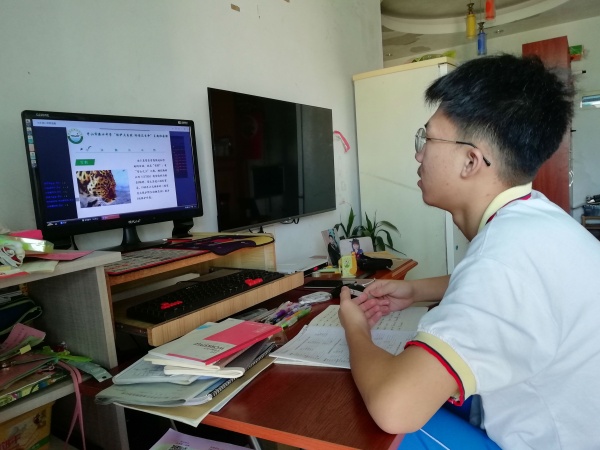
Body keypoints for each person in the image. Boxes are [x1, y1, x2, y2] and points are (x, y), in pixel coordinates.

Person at [338, 54, 600, 449]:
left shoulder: (504, 258)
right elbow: (522, 290)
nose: (419, 154)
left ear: (470, 161)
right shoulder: (535, 219)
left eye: (427, 139)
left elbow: (396, 406)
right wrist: (416, 290)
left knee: (375, 427)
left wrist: (356, 331)